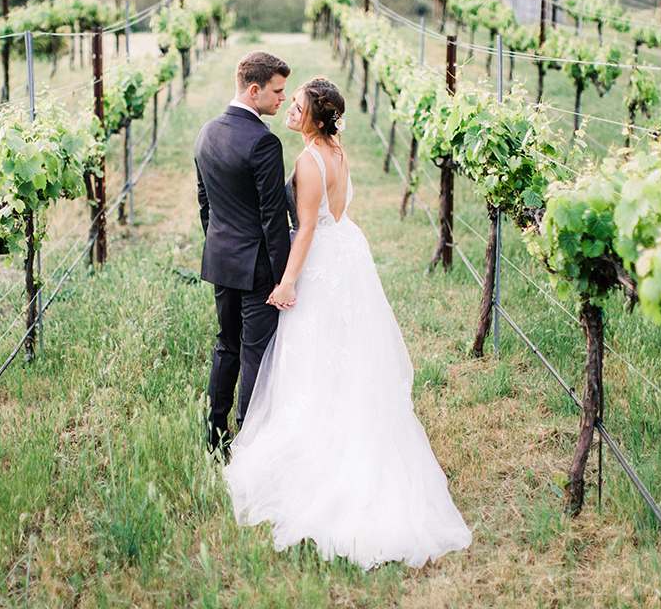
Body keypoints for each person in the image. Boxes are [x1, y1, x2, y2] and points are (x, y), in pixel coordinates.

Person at [223, 77, 472, 569]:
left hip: (321, 263)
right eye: (287, 102)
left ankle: (324, 458)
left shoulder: (308, 160)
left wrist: (289, 281)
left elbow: (309, 226)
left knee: (314, 356)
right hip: (346, 254)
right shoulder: (335, 148)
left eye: (297, 106)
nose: (289, 109)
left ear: (316, 117)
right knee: (344, 356)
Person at [194, 51, 292, 452]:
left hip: (221, 259)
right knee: (256, 352)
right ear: (255, 91)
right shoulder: (264, 143)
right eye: (277, 90)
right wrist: (285, 277)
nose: (282, 99)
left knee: (226, 345)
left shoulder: (206, 132)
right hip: (258, 268)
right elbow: (273, 217)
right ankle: (248, 443)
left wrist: (221, 243)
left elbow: (205, 203)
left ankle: (216, 438)